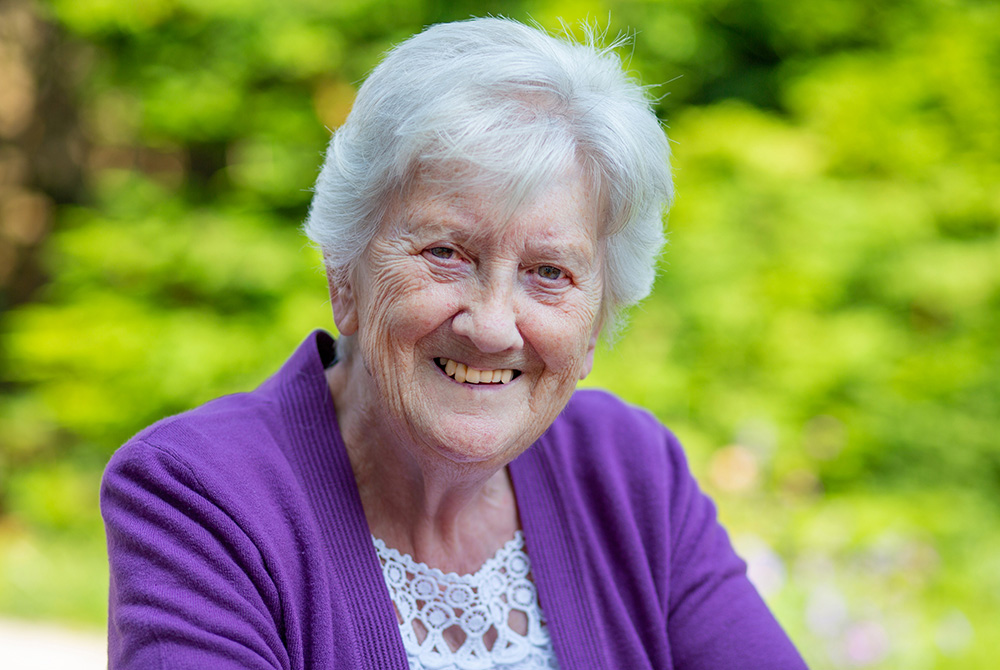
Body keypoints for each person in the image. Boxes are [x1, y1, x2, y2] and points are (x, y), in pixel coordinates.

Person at [101, 17, 808, 670]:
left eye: (549, 272)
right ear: (344, 274)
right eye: (446, 253)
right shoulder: (199, 494)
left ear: (596, 324)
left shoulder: (630, 474)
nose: (492, 325)